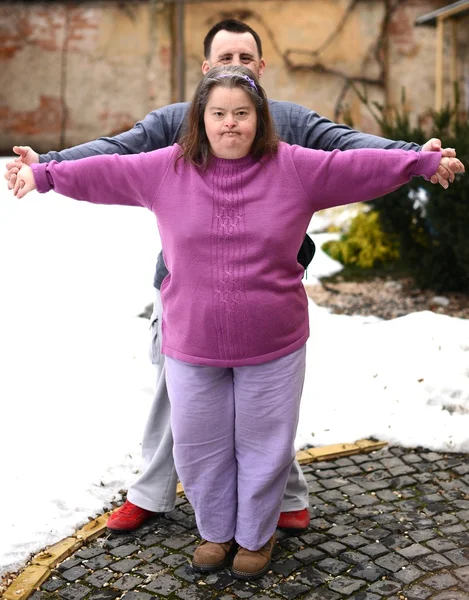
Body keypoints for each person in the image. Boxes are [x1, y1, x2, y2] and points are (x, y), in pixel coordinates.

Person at [4, 19, 459, 536]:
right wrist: (49, 165)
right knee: (179, 396)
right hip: (186, 287)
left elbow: (348, 150)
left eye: (247, 59)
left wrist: (414, 158)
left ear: (261, 68)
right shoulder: (176, 122)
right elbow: (116, 154)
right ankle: (155, 492)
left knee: (265, 405)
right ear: (206, 68)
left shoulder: (289, 121)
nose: (236, 68)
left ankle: (277, 502)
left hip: (265, 291)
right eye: (226, 59)